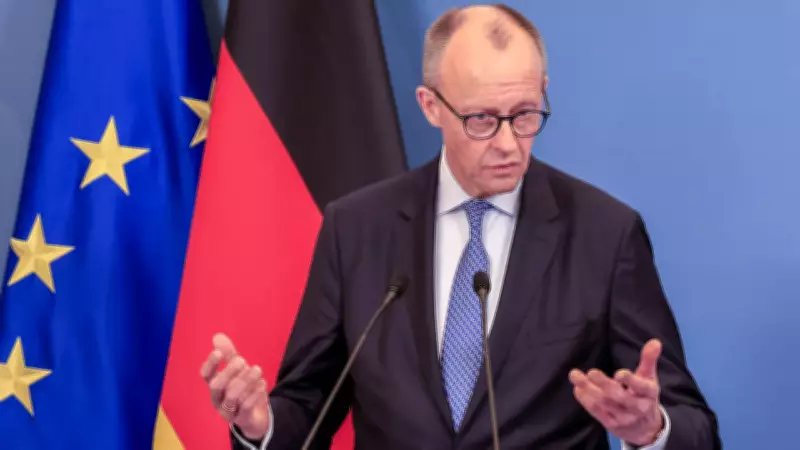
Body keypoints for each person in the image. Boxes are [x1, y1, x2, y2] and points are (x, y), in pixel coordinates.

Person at [200, 4, 721, 449]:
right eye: (481, 120)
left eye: (525, 114)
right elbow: (309, 401)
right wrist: (261, 426)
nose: (508, 143)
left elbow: (696, 426)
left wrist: (651, 429)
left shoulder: (604, 235)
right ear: (431, 107)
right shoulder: (356, 229)